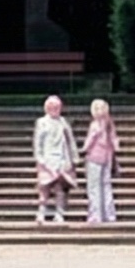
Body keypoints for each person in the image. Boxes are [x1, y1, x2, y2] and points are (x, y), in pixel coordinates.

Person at [32, 94, 77, 223]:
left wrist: (74, 159)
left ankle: (59, 213)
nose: (54, 109)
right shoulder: (42, 122)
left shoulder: (63, 122)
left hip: (61, 159)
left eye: (57, 107)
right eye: (51, 106)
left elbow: (70, 141)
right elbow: (37, 143)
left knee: (60, 189)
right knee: (44, 189)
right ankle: (41, 212)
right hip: (46, 159)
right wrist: (40, 159)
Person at [82, 98, 119, 223]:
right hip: (107, 158)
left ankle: (95, 215)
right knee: (106, 186)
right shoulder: (109, 125)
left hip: (94, 157)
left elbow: (90, 141)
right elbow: (115, 143)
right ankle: (109, 214)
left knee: (93, 187)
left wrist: (83, 150)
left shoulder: (95, 125)